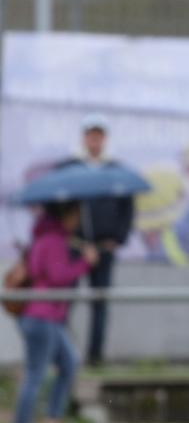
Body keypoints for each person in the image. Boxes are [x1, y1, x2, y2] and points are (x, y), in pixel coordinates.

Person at [56, 114, 135, 366]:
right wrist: (70, 239)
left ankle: (95, 356)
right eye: (91, 135)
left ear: (104, 139)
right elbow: (58, 208)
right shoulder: (69, 169)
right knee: (65, 301)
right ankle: (62, 355)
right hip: (74, 248)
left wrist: (116, 239)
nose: (94, 140)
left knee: (100, 302)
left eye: (98, 135)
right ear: (84, 137)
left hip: (103, 248)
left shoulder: (116, 171)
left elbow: (127, 209)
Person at [14, 201, 98, 423]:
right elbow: (58, 277)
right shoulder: (53, 241)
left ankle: (52, 418)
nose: (78, 220)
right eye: (76, 214)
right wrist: (85, 263)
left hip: (46, 316)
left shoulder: (43, 237)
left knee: (69, 364)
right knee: (35, 375)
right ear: (66, 215)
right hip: (43, 315)